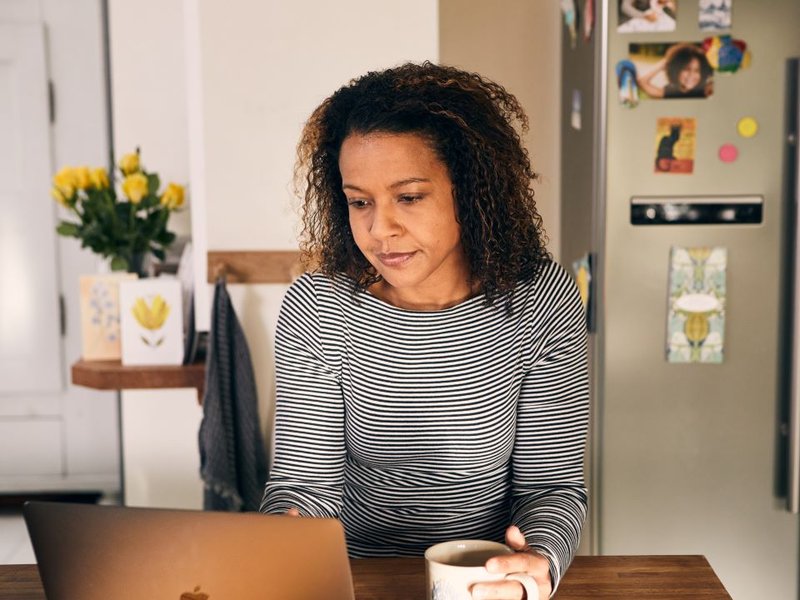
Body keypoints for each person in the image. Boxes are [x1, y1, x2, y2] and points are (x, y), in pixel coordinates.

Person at [260, 62, 589, 600]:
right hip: (351, 581)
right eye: (359, 201)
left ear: (473, 191)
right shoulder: (317, 308)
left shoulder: (539, 300)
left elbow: (549, 489)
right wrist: (283, 538)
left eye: (409, 197)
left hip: (484, 583)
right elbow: (306, 489)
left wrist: (536, 562)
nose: (378, 228)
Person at [637, 43, 714, 99]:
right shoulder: (672, 91)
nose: (691, 75)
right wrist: (666, 62)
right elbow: (642, 82)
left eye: (697, 71)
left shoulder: (705, 90)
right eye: (687, 69)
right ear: (676, 69)